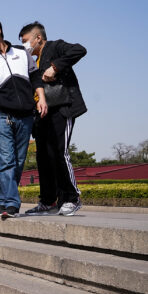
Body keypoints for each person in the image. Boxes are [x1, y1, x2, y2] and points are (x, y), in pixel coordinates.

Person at [0, 17, 48, 219]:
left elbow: (35, 77)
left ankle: (1, 198)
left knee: (19, 160)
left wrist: (41, 98)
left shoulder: (22, 53)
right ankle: (12, 205)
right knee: (6, 160)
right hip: (1, 115)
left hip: (26, 115)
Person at [19, 21, 87, 216]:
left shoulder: (55, 46)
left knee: (59, 152)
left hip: (61, 108)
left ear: (38, 38)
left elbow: (79, 50)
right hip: (41, 115)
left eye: (26, 41)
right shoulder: (30, 62)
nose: (25, 45)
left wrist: (55, 67)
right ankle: (48, 201)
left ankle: (72, 198)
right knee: (43, 158)